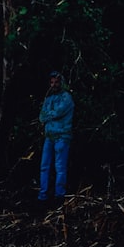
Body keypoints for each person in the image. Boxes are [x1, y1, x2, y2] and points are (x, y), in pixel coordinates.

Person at [38, 71, 74, 208]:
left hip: (62, 137)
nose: (54, 85)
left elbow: (58, 112)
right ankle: (43, 197)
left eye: (56, 82)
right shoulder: (49, 98)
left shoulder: (67, 98)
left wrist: (48, 115)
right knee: (44, 167)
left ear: (61, 83)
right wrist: (48, 115)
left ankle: (59, 197)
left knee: (60, 167)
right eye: (52, 82)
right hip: (49, 137)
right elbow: (41, 117)